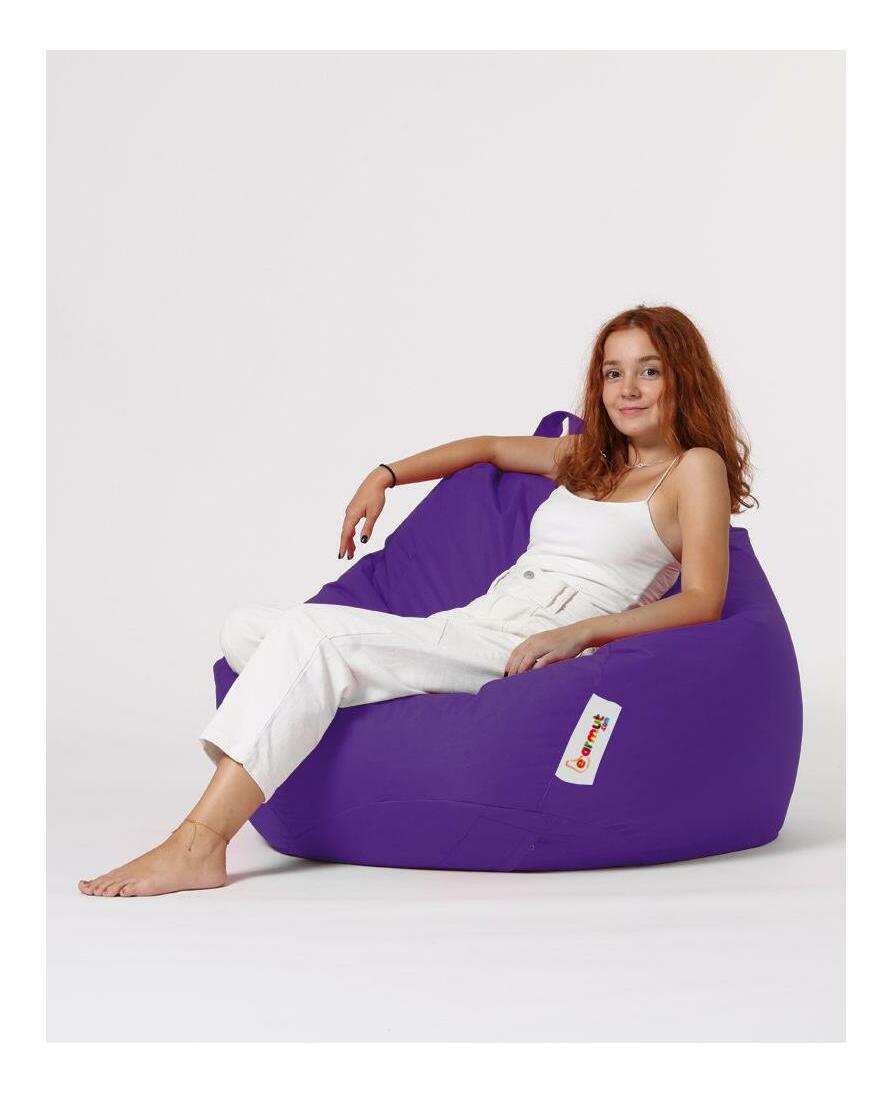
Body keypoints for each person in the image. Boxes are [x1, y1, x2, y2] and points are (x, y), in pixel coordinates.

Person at [78, 304, 753, 897]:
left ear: (681, 378)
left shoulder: (694, 469)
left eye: (648, 371)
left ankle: (200, 842)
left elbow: (703, 600)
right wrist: (385, 474)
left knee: (312, 639)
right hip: (477, 619)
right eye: (612, 372)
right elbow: (488, 447)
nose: (627, 389)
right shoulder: (588, 457)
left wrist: (583, 634)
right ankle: (350, 692)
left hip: (532, 643)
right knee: (244, 628)